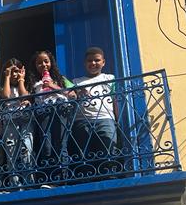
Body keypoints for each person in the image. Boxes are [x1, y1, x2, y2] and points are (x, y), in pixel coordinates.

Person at [71, 47, 119, 177]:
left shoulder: (109, 78)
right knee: (84, 152)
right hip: (82, 121)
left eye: (97, 60)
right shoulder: (76, 81)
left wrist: (117, 120)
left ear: (103, 62)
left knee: (108, 146)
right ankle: (87, 177)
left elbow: (115, 100)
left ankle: (110, 176)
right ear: (85, 63)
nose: (93, 63)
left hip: (105, 119)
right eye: (89, 60)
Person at [30, 50, 75, 184]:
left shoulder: (61, 79)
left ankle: (63, 179)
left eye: (46, 61)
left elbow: (73, 95)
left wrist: (52, 86)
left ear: (51, 63)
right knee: (46, 146)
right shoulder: (33, 82)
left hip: (61, 110)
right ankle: (50, 180)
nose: (43, 65)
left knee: (61, 144)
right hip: (43, 113)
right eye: (39, 63)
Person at [0, 58, 34, 188]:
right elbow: (6, 96)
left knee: (26, 149)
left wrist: (22, 80)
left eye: (17, 71)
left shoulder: (26, 85)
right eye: (11, 72)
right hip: (9, 121)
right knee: (11, 151)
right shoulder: (2, 87)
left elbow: (24, 96)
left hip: (25, 119)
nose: (14, 75)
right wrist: (6, 77)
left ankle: (29, 182)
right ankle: (15, 184)